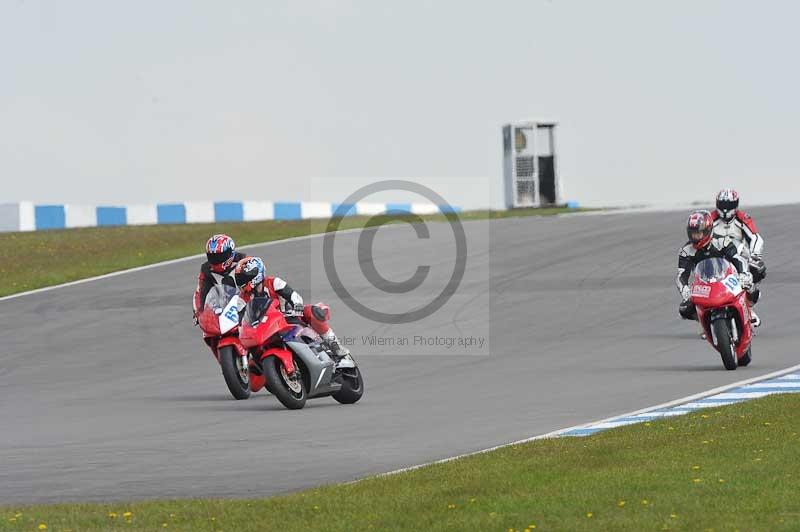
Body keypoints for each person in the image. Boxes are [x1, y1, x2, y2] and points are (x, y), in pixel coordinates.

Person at [234, 256, 351, 357]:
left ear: (255, 275)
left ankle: (334, 345)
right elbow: (240, 320)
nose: (241, 283)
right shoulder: (242, 298)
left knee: (312, 311)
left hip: (287, 318)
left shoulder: (273, 282)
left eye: (243, 279)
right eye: (239, 279)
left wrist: (297, 306)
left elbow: (293, 295)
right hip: (263, 329)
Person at [676, 210, 760, 326]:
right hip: (704, 283)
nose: (695, 237)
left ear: (708, 230)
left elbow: (738, 259)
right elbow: (681, 275)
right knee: (684, 309)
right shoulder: (686, 251)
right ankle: (706, 323)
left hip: (727, 277)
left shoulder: (722, 241)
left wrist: (744, 274)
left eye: (698, 233)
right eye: (692, 233)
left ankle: (747, 310)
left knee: (752, 289)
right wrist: (684, 289)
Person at [711, 188, 766, 302]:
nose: (725, 209)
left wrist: (755, 256)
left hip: (738, 254)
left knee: (758, 269)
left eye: (728, 205)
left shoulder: (742, 218)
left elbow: (755, 238)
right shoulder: (711, 219)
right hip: (715, 257)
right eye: (722, 204)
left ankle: (750, 296)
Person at [192, 234, 249, 324]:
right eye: (213, 257)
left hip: (245, 305)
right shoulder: (206, 269)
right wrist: (199, 312)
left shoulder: (244, 262)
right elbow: (200, 292)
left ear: (230, 252)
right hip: (221, 310)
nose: (216, 260)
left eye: (220, 256)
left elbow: (257, 281)